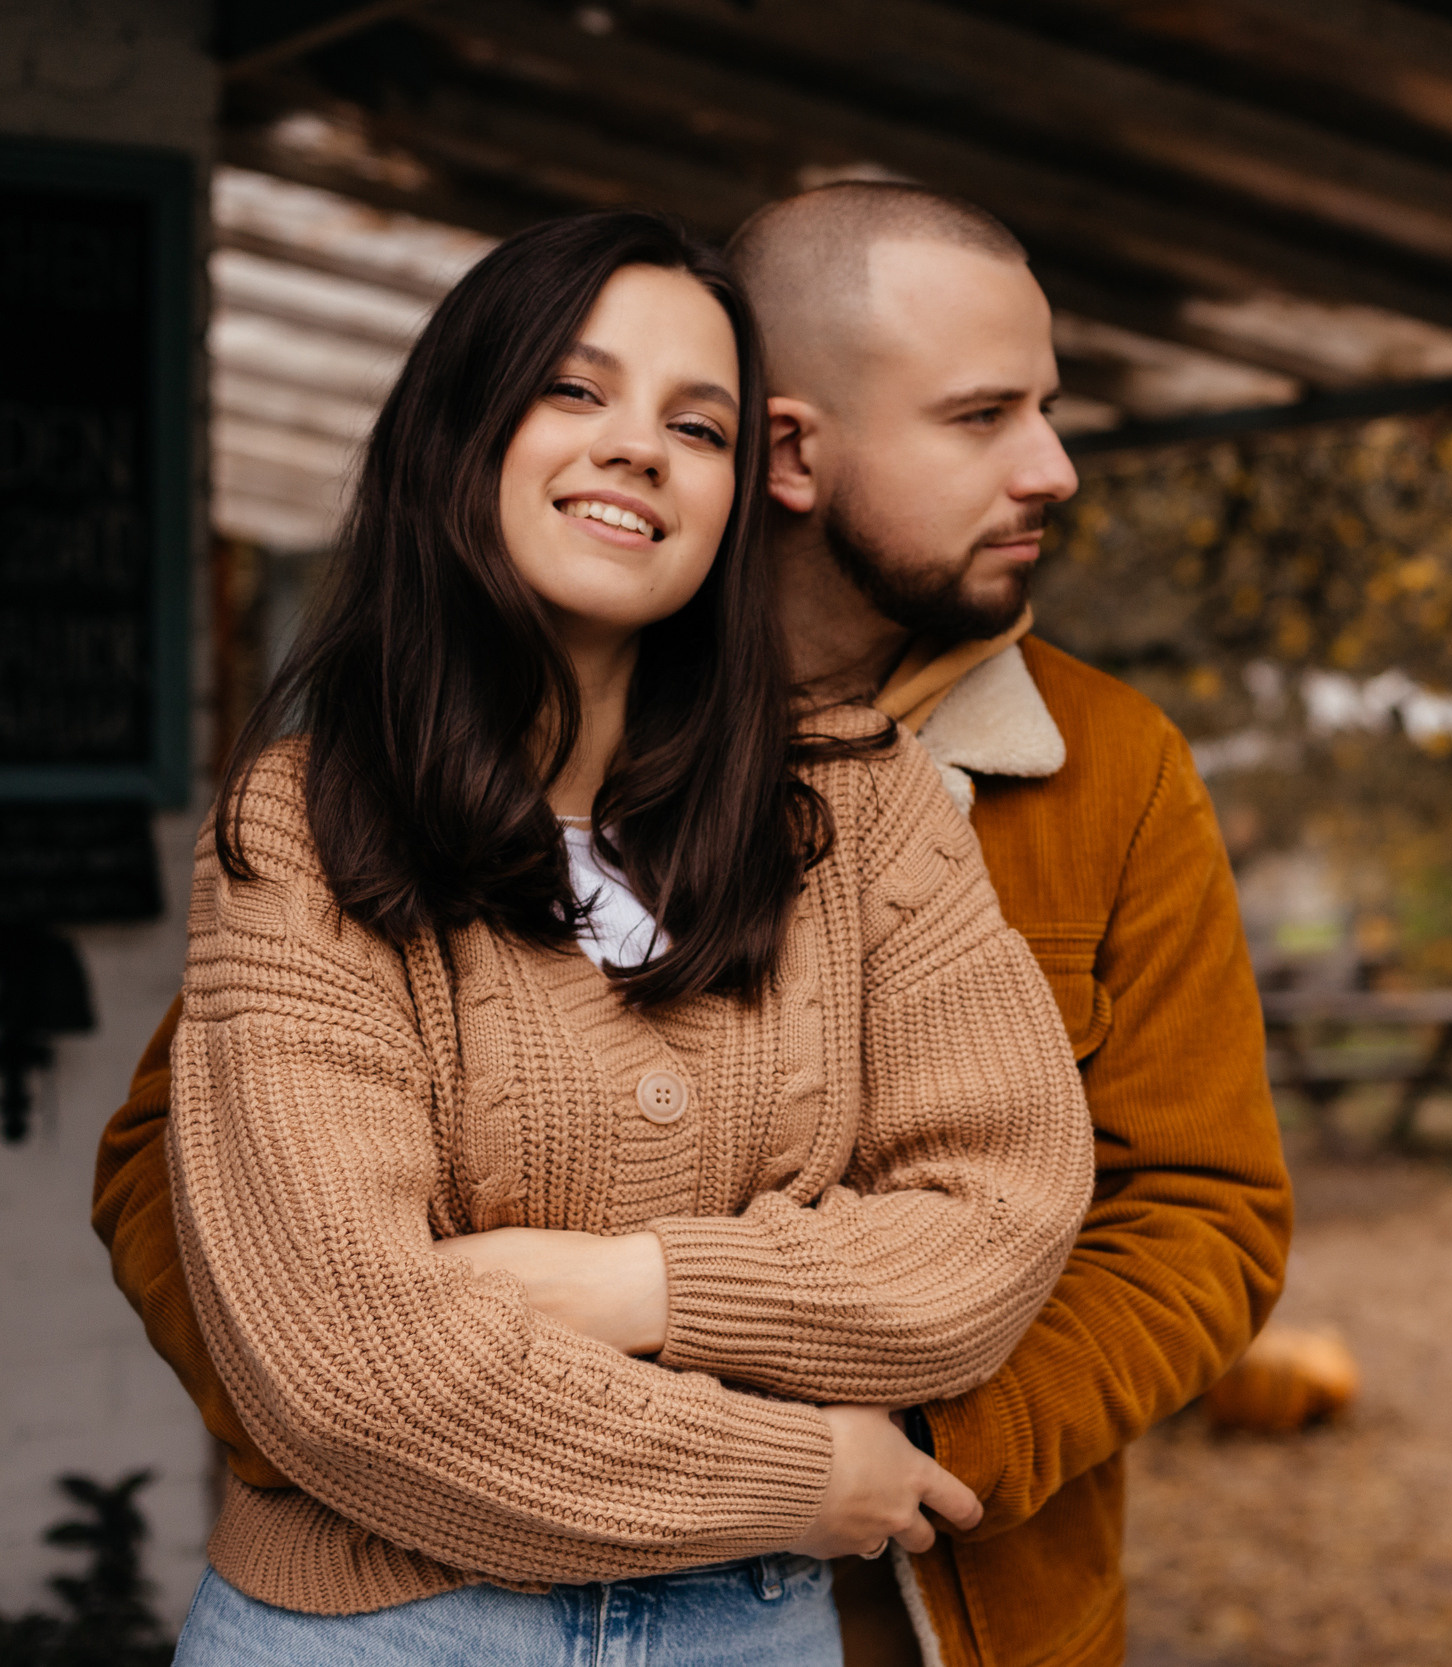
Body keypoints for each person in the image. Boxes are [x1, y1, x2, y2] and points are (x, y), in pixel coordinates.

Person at [97, 182, 1293, 1667]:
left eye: (690, 423)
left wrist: (888, 1448)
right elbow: (211, 1204)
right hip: (399, 1594)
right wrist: (377, 1422)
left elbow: (1168, 1214)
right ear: (797, 452)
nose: (1052, 466)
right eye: (982, 415)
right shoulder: (318, 817)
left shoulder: (1040, 780)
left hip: (903, 1600)